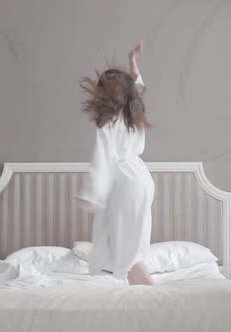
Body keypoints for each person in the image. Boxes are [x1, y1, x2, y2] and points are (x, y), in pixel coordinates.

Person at [77, 42, 155, 285]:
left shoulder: (108, 122)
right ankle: (140, 293)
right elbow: (139, 85)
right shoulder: (135, 112)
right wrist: (132, 60)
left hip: (124, 181)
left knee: (125, 247)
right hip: (142, 179)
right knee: (131, 242)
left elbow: (102, 158)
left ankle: (153, 296)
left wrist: (91, 194)